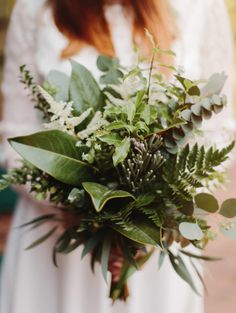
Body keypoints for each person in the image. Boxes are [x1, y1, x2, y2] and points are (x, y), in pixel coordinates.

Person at [0, 0, 235, 312]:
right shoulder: (33, 10)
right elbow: (16, 139)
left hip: (157, 251)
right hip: (59, 248)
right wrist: (96, 213)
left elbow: (218, 128)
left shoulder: (202, 7)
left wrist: (155, 215)